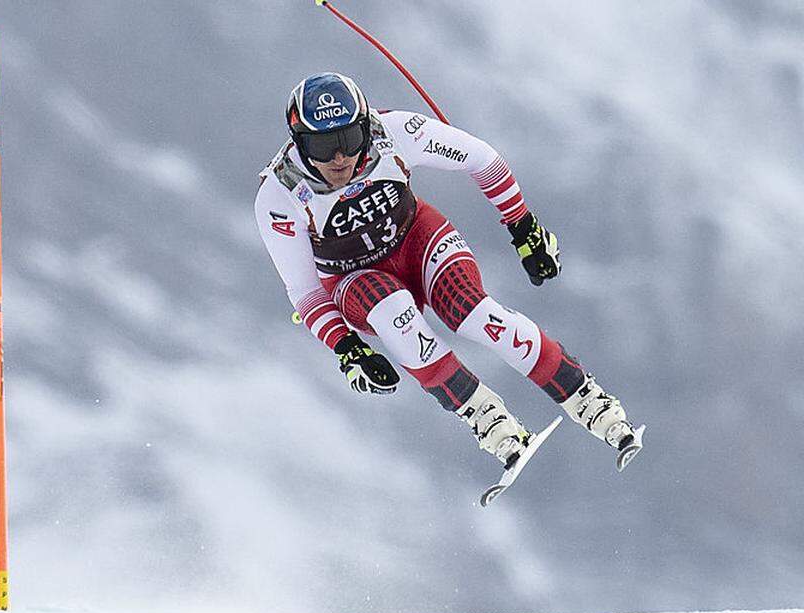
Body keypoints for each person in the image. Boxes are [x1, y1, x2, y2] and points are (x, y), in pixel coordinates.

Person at [254, 72, 642, 468]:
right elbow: (306, 293)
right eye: (323, 145)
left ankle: (587, 398)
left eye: (350, 140)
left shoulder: (395, 131)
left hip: (417, 238)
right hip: (354, 278)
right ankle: (488, 419)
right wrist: (347, 348)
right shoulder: (278, 196)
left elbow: (483, 160)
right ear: (299, 142)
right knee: (393, 314)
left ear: (365, 127)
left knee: (474, 314)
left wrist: (524, 227)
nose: (340, 158)